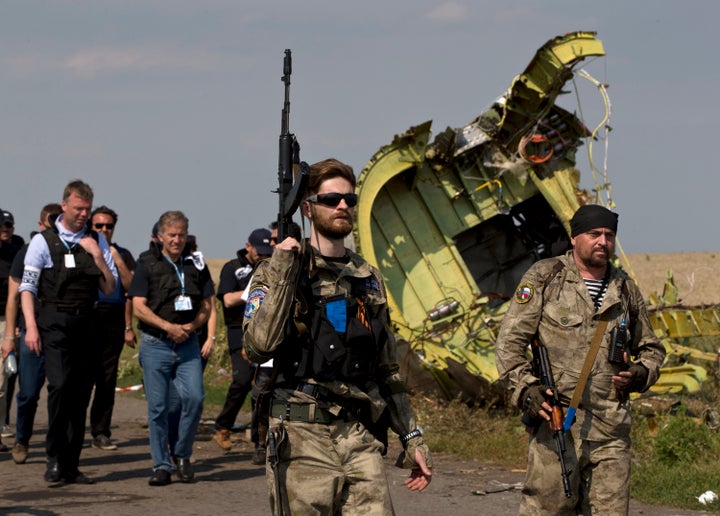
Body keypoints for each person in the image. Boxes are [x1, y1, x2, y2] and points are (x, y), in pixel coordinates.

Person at [243, 158, 433, 514]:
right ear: (308, 208)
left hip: (359, 434)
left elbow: (387, 369)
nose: (343, 206)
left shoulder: (368, 278)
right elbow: (257, 347)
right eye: (331, 200)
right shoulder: (277, 271)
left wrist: (412, 437)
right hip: (301, 437)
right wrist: (285, 269)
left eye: (349, 199)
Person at [495, 204, 666, 515]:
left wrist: (641, 373)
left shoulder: (625, 289)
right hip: (557, 423)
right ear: (574, 238)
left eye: (609, 235)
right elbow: (509, 344)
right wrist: (527, 390)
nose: (603, 241)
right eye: (594, 234)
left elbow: (652, 348)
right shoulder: (546, 278)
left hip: (611, 430)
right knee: (548, 510)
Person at [19, 181, 117, 484]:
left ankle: (71, 464)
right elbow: (27, 288)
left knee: (79, 394)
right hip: (53, 320)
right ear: (64, 206)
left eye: (87, 209)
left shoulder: (94, 240)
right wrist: (31, 327)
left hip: (87, 322)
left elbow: (109, 288)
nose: (83, 215)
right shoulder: (43, 242)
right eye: (78, 209)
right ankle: (53, 457)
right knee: (60, 387)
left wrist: (97, 255)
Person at [129, 210, 214, 486]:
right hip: (156, 344)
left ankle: (182, 454)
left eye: (181, 235)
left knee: (195, 398)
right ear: (161, 236)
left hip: (188, 343)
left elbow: (207, 304)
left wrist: (192, 327)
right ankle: (161, 465)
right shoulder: (147, 263)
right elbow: (138, 307)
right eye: (172, 235)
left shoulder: (196, 264)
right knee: (158, 408)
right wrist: (168, 327)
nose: (177, 240)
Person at [4, 203, 62, 464]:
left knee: (60, 391)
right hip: (32, 332)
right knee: (28, 393)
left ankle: (57, 448)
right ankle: (22, 438)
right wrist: (9, 336)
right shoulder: (26, 252)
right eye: (48, 223)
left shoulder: (73, 250)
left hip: (61, 333)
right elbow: (13, 297)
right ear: (40, 225)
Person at [213, 227, 273, 464]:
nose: (263, 255)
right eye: (260, 251)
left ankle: (259, 441)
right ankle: (223, 424)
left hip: (263, 329)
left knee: (262, 384)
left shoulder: (269, 265)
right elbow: (227, 300)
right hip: (238, 330)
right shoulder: (232, 268)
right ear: (248, 246)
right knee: (241, 379)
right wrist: (250, 292)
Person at [88, 206, 137, 451]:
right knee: (82, 377)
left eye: (109, 226)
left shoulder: (123, 254)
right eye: (99, 226)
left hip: (113, 317)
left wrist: (114, 256)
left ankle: (100, 431)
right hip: (87, 316)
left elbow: (132, 287)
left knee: (107, 378)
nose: (104, 230)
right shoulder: (83, 249)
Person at [0, 209, 25, 449]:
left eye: (9, 225)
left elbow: (16, 296)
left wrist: (14, 325)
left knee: (3, 380)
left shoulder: (15, 254)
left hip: (3, 321)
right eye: (2, 225)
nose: (5, 229)